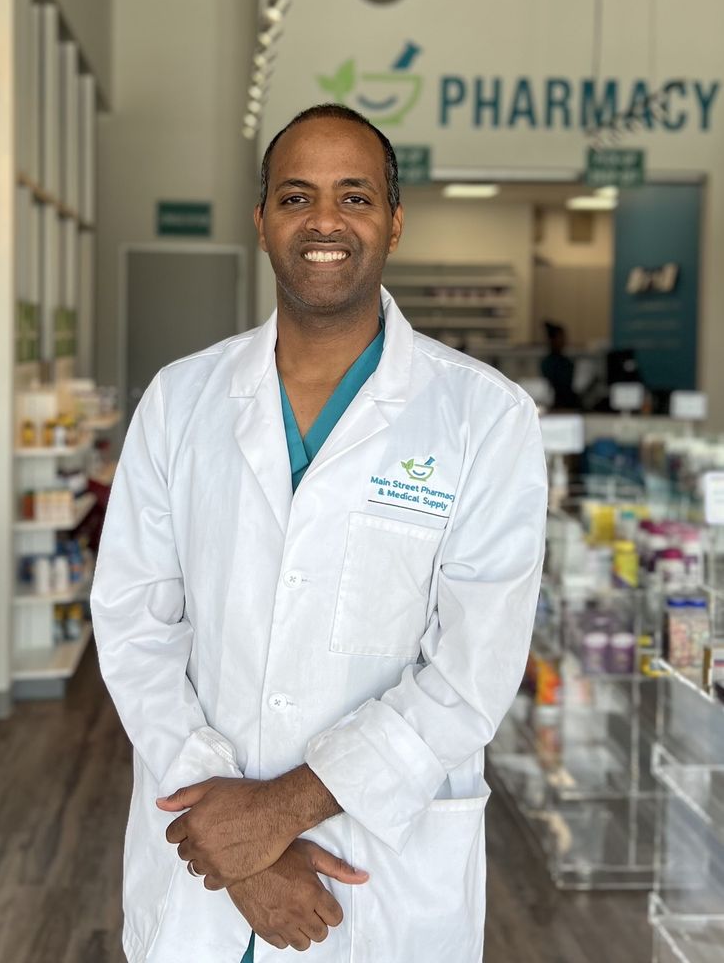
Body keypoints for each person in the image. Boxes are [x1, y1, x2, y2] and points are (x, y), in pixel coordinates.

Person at [91, 103, 547, 963]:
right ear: (262, 221)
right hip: (203, 863)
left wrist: (276, 814)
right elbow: (135, 625)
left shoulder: (484, 417)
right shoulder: (180, 402)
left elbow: (472, 672)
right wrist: (236, 844)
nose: (325, 221)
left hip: (378, 876)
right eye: (297, 197)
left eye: (355, 197)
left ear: (394, 222)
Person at [540, 321, 581, 410]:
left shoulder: (566, 361)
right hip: (557, 404)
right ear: (552, 340)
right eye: (560, 338)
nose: (563, 341)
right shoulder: (549, 363)